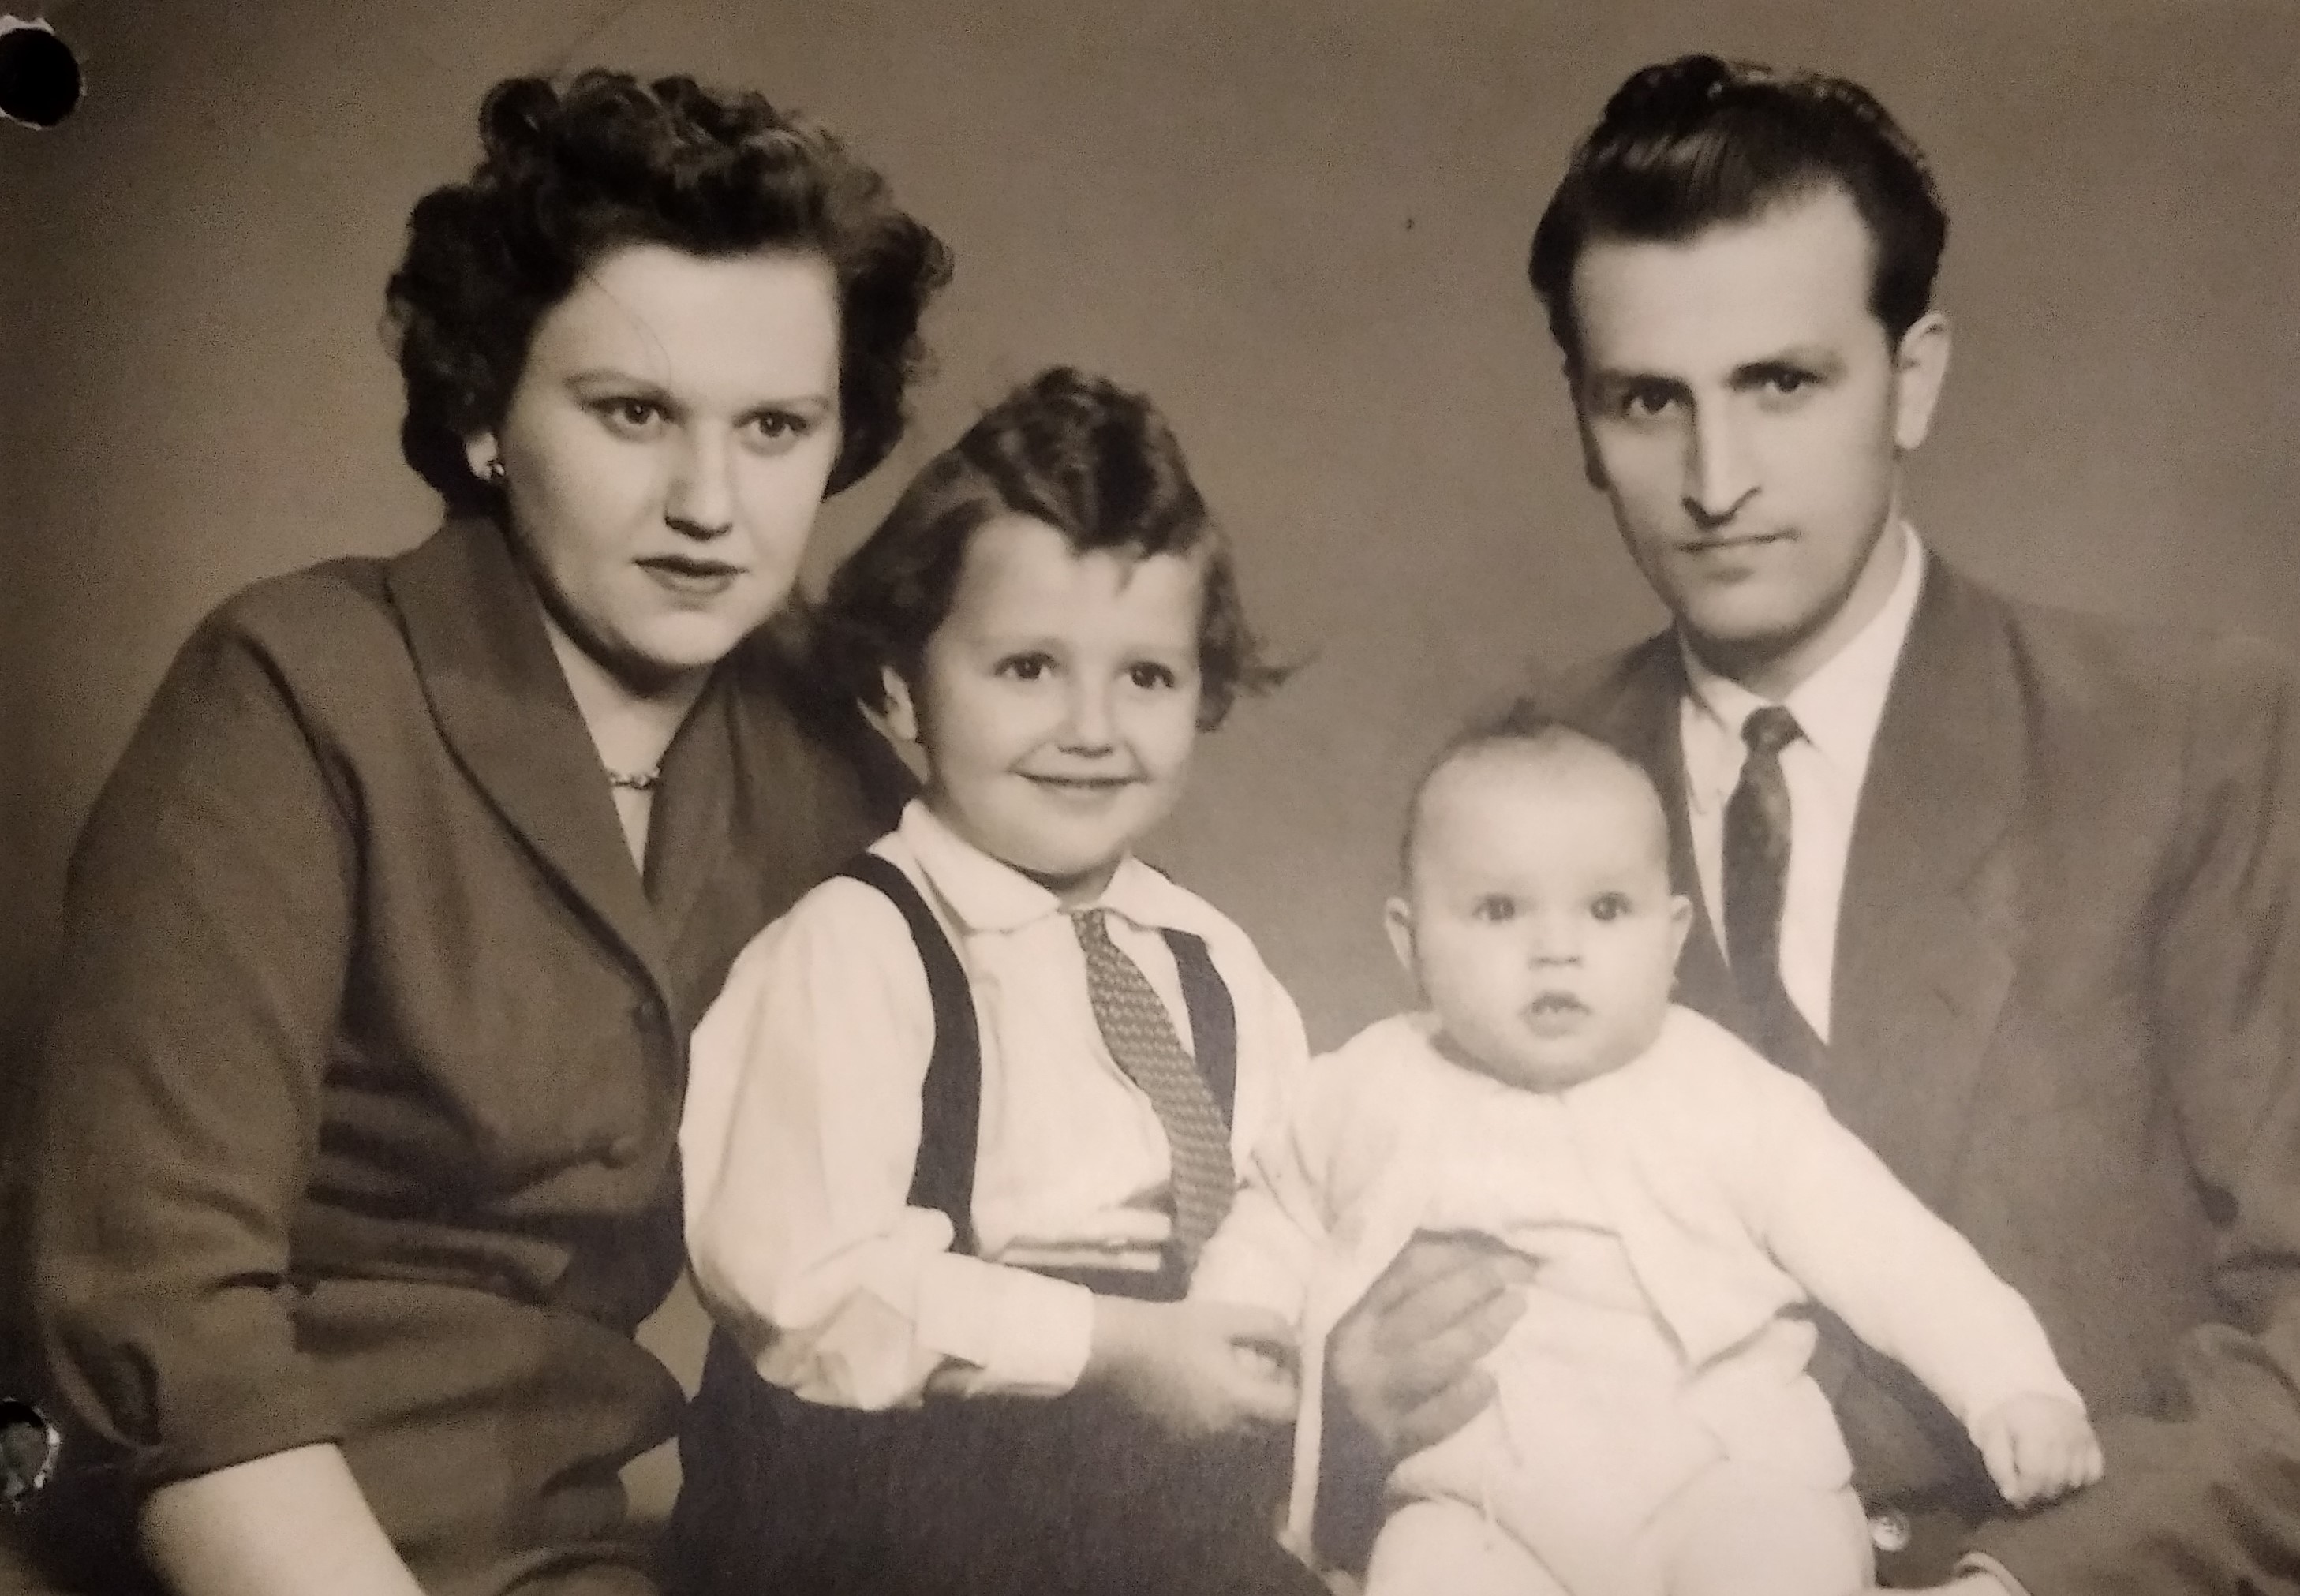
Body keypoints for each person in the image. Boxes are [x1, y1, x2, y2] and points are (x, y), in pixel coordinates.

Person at [1325, 53, 2300, 1595]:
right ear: (1581, 419)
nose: (1715, 479)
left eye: (1781, 384)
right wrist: (1348, 1413)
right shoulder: (1512, 782)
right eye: (1649, 400)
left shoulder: (2193, 739)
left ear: (1912, 380)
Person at [7, 69, 948, 1596]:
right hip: (216, 1545)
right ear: (485, 414)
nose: (710, 501)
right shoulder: (296, 686)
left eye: (776, 426)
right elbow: (156, 1309)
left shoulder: (828, 771)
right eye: (633, 412)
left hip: (569, 1551)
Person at [664, 368, 1326, 1596]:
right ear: (899, 687)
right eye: (1027, 668)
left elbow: (1296, 1205)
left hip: (1163, 1518)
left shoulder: (1218, 967)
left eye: (1146, 675)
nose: (1092, 728)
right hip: (898, 1519)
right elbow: (807, 1287)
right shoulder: (854, 949)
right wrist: (1113, 1344)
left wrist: (1267, 1333)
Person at [1193, 720, 2100, 1596]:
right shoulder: (1363, 1086)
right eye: (1498, 910)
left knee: (1769, 1564)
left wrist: (2012, 1387)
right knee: (1424, 1569)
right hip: (1471, 1499)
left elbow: (1890, 1251)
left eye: (1604, 908)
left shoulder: (1726, 1091)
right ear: (1410, 939)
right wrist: (1219, 1340)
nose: (1556, 948)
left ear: (1669, 940)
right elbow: (1274, 1222)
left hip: (1717, 1472)